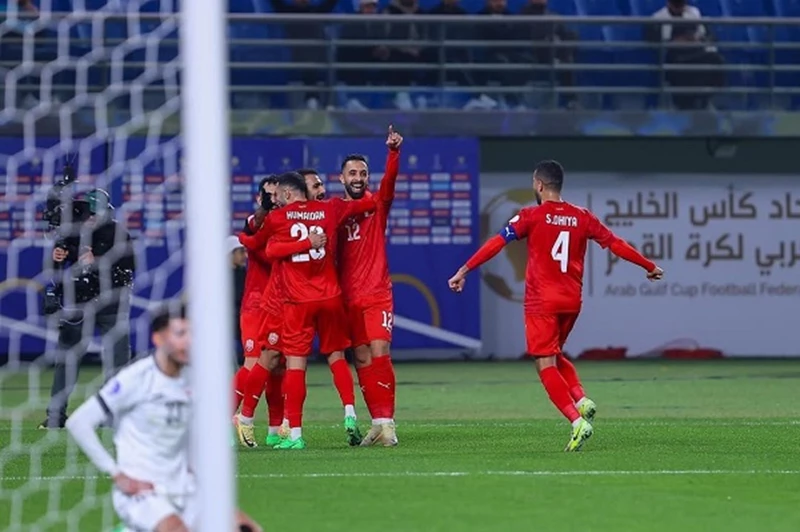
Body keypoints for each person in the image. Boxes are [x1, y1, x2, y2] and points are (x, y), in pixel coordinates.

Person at [447, 160, 664, 451]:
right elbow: (615, 244)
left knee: (544, 363)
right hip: (572, 301)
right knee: (554, 353)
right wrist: (648, 265)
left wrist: (464, 269)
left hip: (541, 302)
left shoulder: (530, 216)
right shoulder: (582, 216)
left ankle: (576, 421)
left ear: (538, 185)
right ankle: (581, 399)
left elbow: (497, 243)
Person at [65, 304, 262, 532]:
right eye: (180, 334)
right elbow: (78, 422)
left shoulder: (195, 379)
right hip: (143, 492)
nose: (188, 342)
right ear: (158, 338)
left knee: (247, 528)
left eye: (192, 334)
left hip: (185, 490)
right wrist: (116, 474)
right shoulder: (136, 378)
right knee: (176, 529)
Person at [242, 171, 377, 450]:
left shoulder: (278, 218)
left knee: (287, 363)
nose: (275, 200)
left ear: (289, 194)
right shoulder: (331, 208)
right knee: (337, 356)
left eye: (278, 195)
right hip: (331, 297)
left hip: (295, 302)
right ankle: (350, 413)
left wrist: (239, 237)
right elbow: (368, 204)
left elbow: (262, 247)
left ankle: (292, 434)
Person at [40, 188, 135, 429]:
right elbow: (57, 262)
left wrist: (98, 263)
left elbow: (128, 270)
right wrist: (59, 254)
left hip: (112, 305)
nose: (89, 219)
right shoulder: (75, 233)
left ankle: (113, 414)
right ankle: (55, 416)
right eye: (87, 214)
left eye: (94, 214)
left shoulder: (118, 233)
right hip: (80, 304)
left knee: (117, 362)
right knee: (67, 359)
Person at [337, 125, 402, 446]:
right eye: (352, 173)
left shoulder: (377, 205)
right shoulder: (333, 212)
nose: (358, 177)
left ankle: (388, 422)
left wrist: (393, 153)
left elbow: (389, 184)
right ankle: (376, 421)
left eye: (363, 172)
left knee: (380, 351)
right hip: (347, 299)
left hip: (377, 294)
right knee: (361, 359)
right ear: (342, 179)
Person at [232, 177, 277, 414]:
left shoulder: (286, 224)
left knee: (279, 366)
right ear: (259, 199)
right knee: (251, 363)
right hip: (257, 305)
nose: (273, 200)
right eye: (267, 196)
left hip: (282, 304)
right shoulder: (255, 222)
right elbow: (254, 223)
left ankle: (276, 427)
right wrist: (266, 208)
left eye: (276, 196)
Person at [229, 234, 247, 364]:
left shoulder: (245, 274)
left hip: (244, 319)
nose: (245, 256)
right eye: (241, 252)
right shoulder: (216, 276)